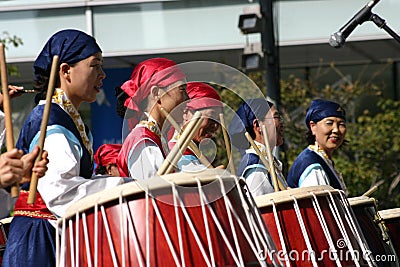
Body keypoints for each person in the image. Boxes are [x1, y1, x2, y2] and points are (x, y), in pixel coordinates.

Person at [3, 29, 127, 267]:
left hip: (50, 234)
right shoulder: (50, 120)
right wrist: (124, 185)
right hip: (40, 241)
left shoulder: (66, 118)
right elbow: (62, 193)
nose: (102, 75)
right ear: (65, 70)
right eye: (95, 65)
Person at [116, 57, 188, 179]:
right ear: (156, 93)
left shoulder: (157, 137)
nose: (188, 98)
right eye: (182, 90)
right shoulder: (143, 141)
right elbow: (156, 194)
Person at [228, 98, 286, 196]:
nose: (282, 124)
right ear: (258, 125)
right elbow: (262, 209)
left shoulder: (267, 161)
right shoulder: (256, 168)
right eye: (276, 117)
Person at [286, 99, 347, 192]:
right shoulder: (312, 165)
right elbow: (319, 205)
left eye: (341, 124)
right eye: (329, 123)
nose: (336, 130)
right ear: (313, 127)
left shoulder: (323, 160)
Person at [167, 81, 223, 171]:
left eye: (218, 120)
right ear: (185, 113)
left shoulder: (196, 153)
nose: (215, 126)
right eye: (211, 118)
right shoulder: (178, 155)